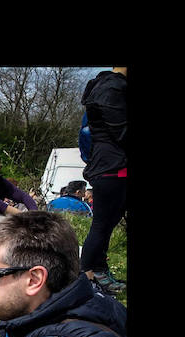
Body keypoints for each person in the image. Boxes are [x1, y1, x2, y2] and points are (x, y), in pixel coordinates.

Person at [79, 67, 127, 294]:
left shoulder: (103, 86)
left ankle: (97, 269)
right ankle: (87, 278)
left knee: (105, 226)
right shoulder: (113, 88)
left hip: (107, 166)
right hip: (112, 167)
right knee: (101, 225)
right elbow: (122, 132)